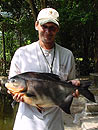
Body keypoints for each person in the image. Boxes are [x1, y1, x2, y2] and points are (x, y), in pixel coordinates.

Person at [8, 8, 80, 130]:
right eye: (44, 26)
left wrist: (75, 87)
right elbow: (12, 84)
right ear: (37, 25)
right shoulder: (22, 53)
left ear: (57, 29)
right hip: (27, 122)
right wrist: (14, 95)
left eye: (52, 28)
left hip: (54, 121)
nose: (47, 31)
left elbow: (70, 83)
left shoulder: (67, 55)